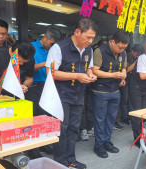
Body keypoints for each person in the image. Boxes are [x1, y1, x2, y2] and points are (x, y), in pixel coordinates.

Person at [45, 18, 98, 169]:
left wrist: (90, 75)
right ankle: (60, 161)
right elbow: (51, 72)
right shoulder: (59, 47)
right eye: (88, 37)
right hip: (61, 94)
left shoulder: (89, 50)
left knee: (74, 127)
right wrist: (76, 76)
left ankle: (71, 158)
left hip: (79, 93)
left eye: (93, 38)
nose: (90, 41)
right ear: (77, 32)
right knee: (61, 128)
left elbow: (89, 67)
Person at [25, 27, 62, 159]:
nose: (52, 46)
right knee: (33, 119)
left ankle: (42, 143)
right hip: (33, 86)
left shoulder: (54, 50)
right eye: (51, 43)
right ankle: (32, 150)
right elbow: (27, 67)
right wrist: (45, 64)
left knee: (45, 117)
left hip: (48, 87)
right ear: (45, 37)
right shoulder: (31, 47)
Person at [91, 30, 129, 158]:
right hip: (101, 90)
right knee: (100, 119)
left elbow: (123, 68)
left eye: (124, 48)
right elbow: (95, 71)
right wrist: (113, 75)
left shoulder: (122, 53)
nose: (122, 50)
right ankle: (99, 145)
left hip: (115, 90)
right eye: (120, 47)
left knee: (111, 119)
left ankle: (107, 141)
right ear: (113, 42)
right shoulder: (99, 51)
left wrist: (123, 77)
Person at [119, 44, 145, 125]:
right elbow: (127, 69)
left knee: (130, 100)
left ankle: (130, 116)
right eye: (136, 54)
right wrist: (136, 62)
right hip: (125, 81)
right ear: (132, 51)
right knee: (125, 99)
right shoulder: (127, 56)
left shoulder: (137, 57)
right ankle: (124, 117)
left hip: (133, 81)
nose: (137, 55)